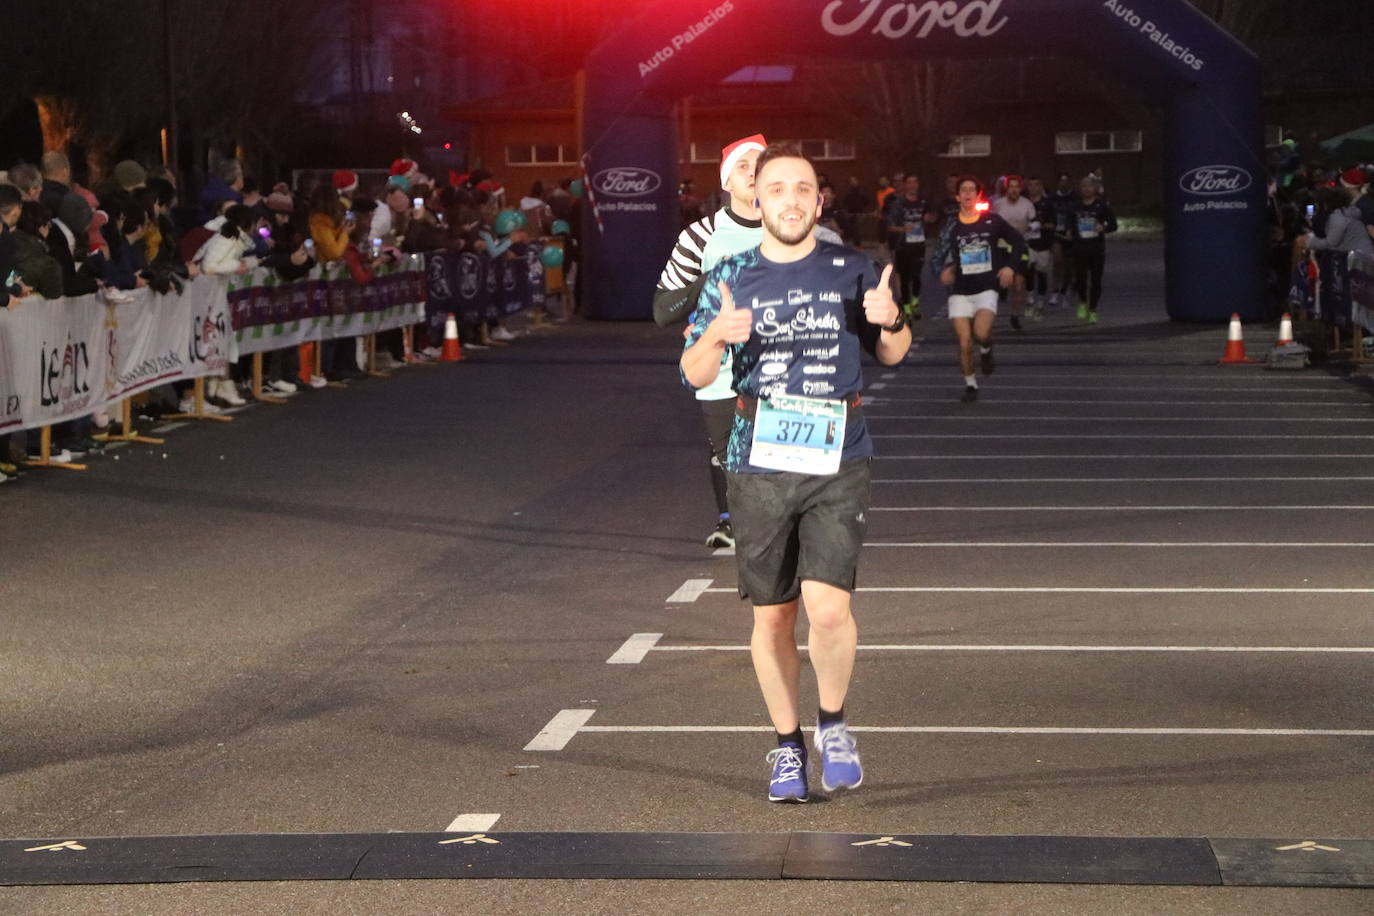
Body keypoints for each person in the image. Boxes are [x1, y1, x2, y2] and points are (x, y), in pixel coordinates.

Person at [680, 145, 911, 803]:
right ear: (758, 200)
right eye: (774, 187)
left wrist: (890, 321)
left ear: (818, 200)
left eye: (801, 188)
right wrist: (717, 336)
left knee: (829, 608)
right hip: (758, 460)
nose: (787, 198)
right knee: (774, 618)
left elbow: (894, 351)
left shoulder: (851, 269)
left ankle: (833, 725)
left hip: (839, 454)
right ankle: (787, 748)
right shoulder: (731, 274)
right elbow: (694, 373)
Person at [653, 133, 769, 549]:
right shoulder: (700, 236)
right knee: (729, 455)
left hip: (782, 368)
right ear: (727, 181)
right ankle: (733, 524)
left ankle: (763, 527)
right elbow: (663, 310)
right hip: (720, 369)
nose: (753, 173)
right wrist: (707, 281)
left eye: (760, 165)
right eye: (743, 166)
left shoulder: (788, 228)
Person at [938, 176, 1027, 403]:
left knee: (980, 333)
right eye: (963, 190)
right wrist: (943, 271)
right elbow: (938, 255)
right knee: (964, 342)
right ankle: (971, 385)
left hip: (986, 287)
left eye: (972, 190)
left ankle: (986, 349)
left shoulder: (992, 221)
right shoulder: (951, 226)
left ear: (977, 196)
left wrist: (1009, 267)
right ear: (957, 196)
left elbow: (1018, 242)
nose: (968, 194)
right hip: (960, 290)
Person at [882, 173, 936, 322]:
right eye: (909, 183)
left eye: (915, 182)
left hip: (919, 244)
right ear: (905, 185)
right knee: (904, 278)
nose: (912, 185)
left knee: (917, 275)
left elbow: (933, 217)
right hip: (902, 245)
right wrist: (904, 229)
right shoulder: (898, 203)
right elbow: (890, 226)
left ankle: (915, 302)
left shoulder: (923, 201)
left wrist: (929, 219)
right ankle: (906, 307)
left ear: (918, 185)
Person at [1069, 176, 1118, 322]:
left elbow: (1114, 225)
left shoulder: (1102, 206)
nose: (1087, 189)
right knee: (1081, 279)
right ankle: (1083, 302)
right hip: (1080, 248)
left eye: (1090, 186)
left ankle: (1093, 309)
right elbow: (1070, 225)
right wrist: (1070, 232)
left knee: (1096, 281)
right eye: (1084, 186)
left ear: (1095, 188)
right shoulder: (1075, 207)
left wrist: (1103, 227)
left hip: (1096, 248)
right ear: (1080, 188)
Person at [992, 175, 1037, 330]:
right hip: (1001, 247)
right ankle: (991, 310)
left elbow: (1035, 223)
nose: (1014, 190)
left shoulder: (1027, 205)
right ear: (1006, 188)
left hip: (1019, 247)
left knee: (1018, 285)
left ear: (1021, 188)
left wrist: (1030, 228)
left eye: (1017, 186)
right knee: (998, 283)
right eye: (1011, 186)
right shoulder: (998, 205)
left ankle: (1015, 316)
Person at [1022, 176, 1056, 317]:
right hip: (1027, 243)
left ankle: (1041, 301)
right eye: (1030, 185)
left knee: (1041, 272)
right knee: (1028, 269)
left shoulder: (1047, 204)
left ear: (1040, 186)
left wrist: (1040, 225)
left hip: (1043, 243)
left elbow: (1053, 224)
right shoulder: (1023, 203)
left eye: (1036, 185)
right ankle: (1030, 297)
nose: (1033, 188)